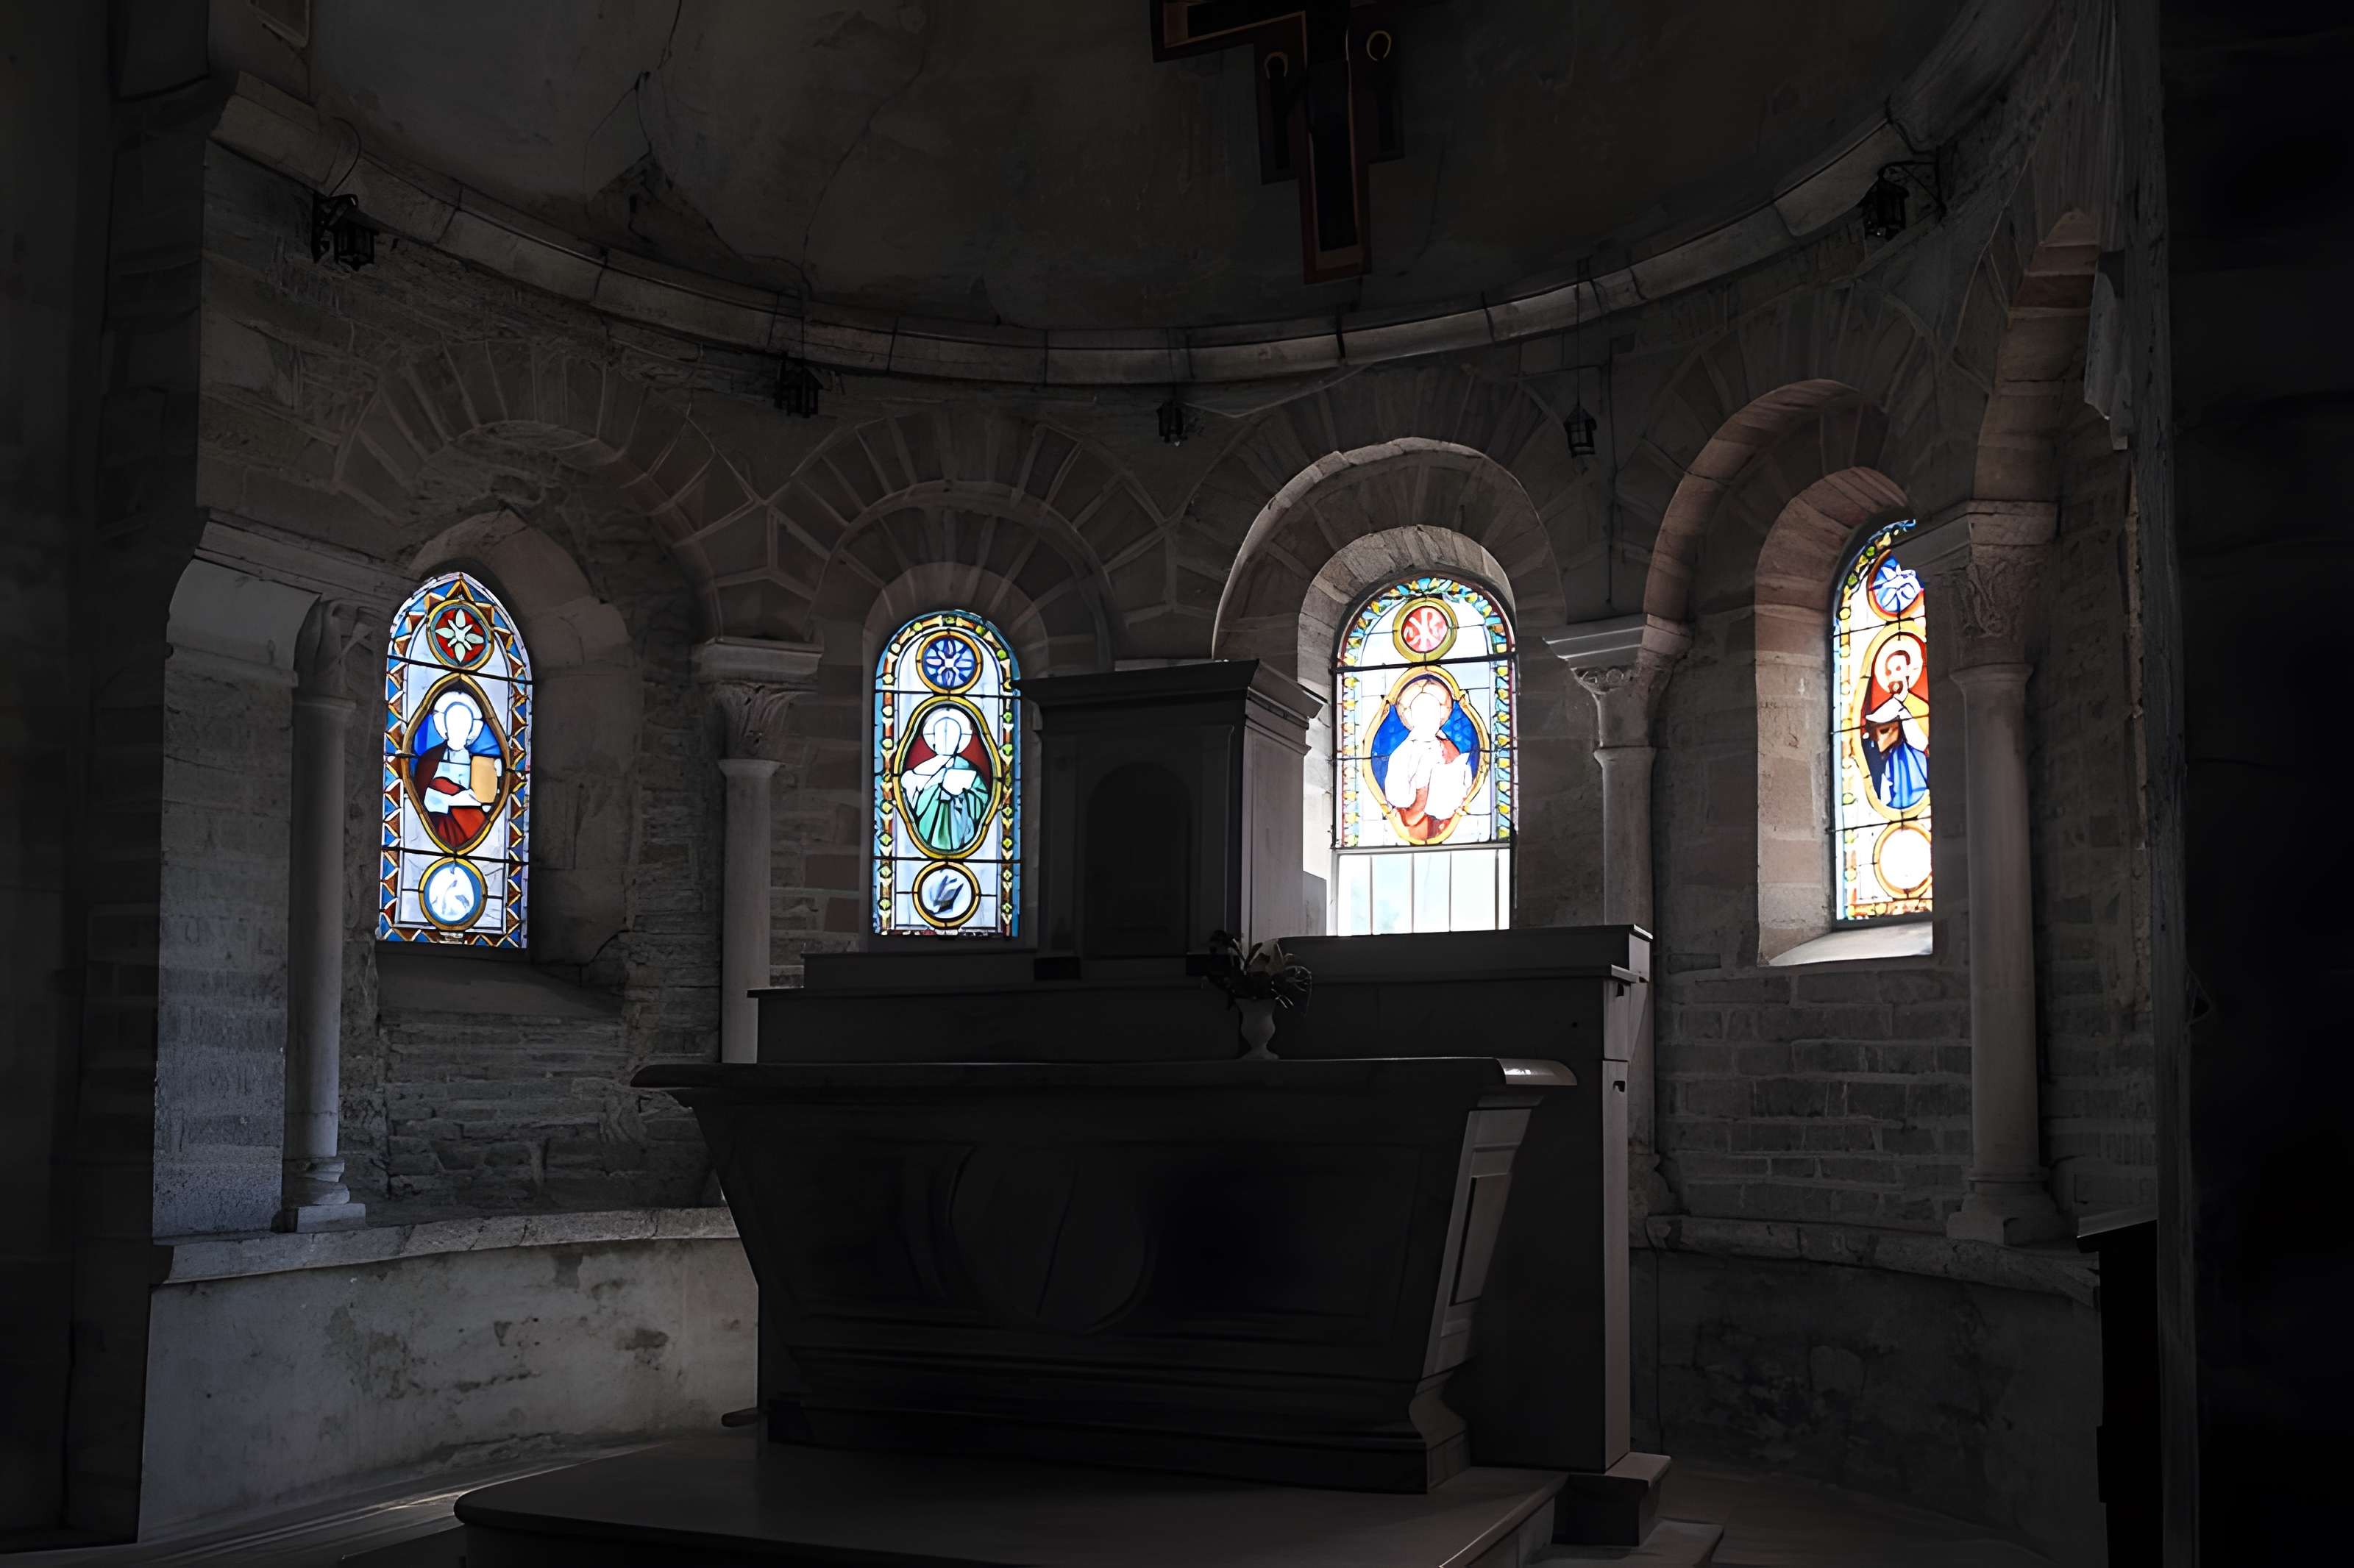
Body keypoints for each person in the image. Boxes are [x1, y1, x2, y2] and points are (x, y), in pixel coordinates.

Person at [1379, 674, 1475, 842]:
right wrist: (1422, 783)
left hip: (1460, 829)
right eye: (1422, 712)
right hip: (1418, 824)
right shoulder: (1401, 755)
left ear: (1441, 717)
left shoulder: (1448, 746)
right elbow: (1401, 804)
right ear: (1412, 718)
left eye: (1433, 712)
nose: (1428, 718)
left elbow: (1465, 783)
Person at [414, 688, 502, 849]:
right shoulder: (430, 759)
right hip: (437, 824)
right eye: (454, 724)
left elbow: (485, 798)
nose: (458, 730)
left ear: (470, 731)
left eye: (463, 726)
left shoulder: (477, 762)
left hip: (471, 825)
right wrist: (453, 800)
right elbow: (421, 796)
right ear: (446, 727)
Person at [900, 706, 992, 856]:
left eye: (953, 736)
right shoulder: (920, 770)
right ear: (933, 741)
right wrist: (935, 788)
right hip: (927, 830)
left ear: (960, 741)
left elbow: (982, 800)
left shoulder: (969, 769)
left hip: (959, 829)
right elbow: (914, 805)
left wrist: (962, 797)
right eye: (942, 736)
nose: (947, 741)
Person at [1860, 638, 1930, 811]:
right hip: (1892, 765)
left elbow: (1923, 742)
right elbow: (1872, 727)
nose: (1893, 675)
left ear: (1908, 670)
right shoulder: (1886, 708)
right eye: (1889, 671)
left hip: (1916, 763)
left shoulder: (1921, 706)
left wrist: (1904, 713)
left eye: (1898, 669)